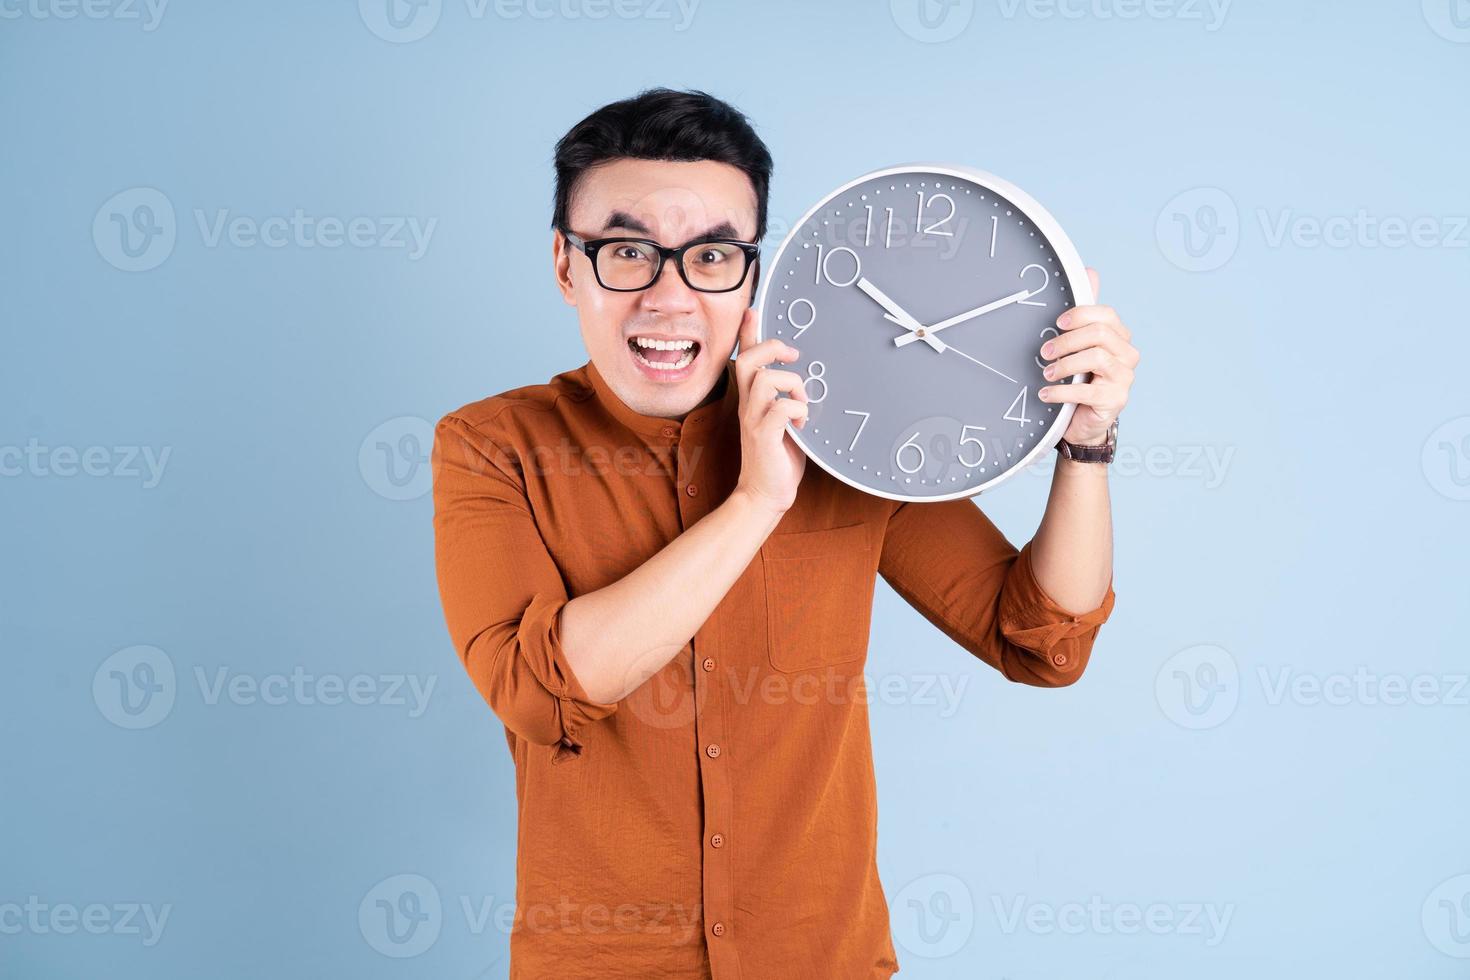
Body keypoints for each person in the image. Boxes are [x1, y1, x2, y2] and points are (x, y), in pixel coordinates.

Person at [431, 87, 1138, 979]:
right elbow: (541, 693)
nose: (670, 297)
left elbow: (1042, 639)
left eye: (713, 257)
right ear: (568, 268)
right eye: (626, 252)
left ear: (754, 275)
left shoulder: (844, 428)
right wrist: (755, 504)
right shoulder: (492, 447)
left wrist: (1085, 441)